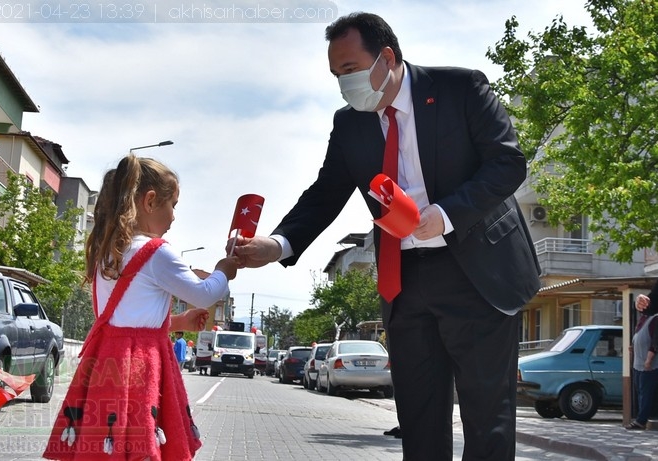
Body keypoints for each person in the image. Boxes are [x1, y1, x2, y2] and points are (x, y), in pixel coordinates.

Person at [229, 12, 541, 461]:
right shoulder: (350, 123)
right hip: (405, 280)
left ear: (387, 57)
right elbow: (324, 194)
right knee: (419, 420)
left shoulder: (460, 89)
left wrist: (447, 213)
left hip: (477, 272)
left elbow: (508, 164)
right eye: (336, 75)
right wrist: (278, 244)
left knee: (486, 418)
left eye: (351, 69)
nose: (343, 84)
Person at [44, 153, 239, 460]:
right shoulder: (156, 252)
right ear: (150, 202)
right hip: (142, 366)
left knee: (107, 445)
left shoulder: (106, 254)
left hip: (106, 362)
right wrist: (223, 271)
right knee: (142, 444)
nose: (174, 216)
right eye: (172, 205)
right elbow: (203, 294)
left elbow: (124, 319)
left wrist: (179, 322)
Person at [627, 281, 658, 430]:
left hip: (648, 363)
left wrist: (649, 359)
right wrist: (640, 300)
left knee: (645, 392)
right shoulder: (648, 319)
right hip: (639, 363)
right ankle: (641, 419)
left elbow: (655, 340)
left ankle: (641, 420)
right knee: (641, 392)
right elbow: (649, 306)